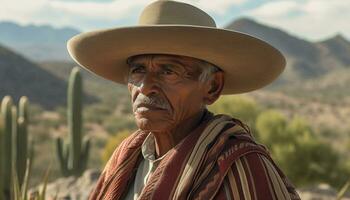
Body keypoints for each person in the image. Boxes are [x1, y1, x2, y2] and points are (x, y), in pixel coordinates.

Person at [67, 0, 301, 199]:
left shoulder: (242, 167)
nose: (146, 87)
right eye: (138, 70)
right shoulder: (127, 157)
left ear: (212, 87)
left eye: (168, 71)